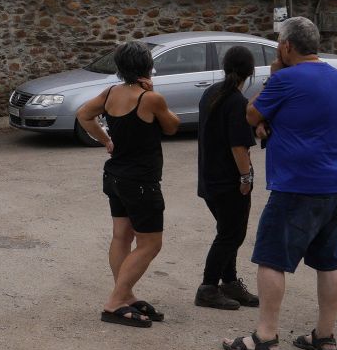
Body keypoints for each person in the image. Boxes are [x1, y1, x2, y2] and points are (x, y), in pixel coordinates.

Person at [223, 16, 337, 350]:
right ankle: (324, 336)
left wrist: (275, 75)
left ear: (286, 46)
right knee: (329, 262)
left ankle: (265, 336)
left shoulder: (286, 78)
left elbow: (251, 114)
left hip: (298, 184)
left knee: (271, 258)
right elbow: (307, 116)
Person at [76, 41, 179, 329]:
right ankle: (115, 301)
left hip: (116, 177)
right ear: (147, 67)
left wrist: (106, 140)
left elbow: (83, 114)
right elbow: (172, 126)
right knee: (150, 243)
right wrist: (152, 90)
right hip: (142, 181)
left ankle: (125, 295)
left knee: (121, 236)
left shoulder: (111, 93)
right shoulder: (150, 98)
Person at [193, 45, 260, 311]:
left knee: (228, 231)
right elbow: (238, 147)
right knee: (231, 234)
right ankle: (208, 287)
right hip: (228, 182)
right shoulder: (236, 102)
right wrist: (246, 178)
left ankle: (229, 281)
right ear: (250, 72)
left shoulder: (211, 93)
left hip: (209, 178)